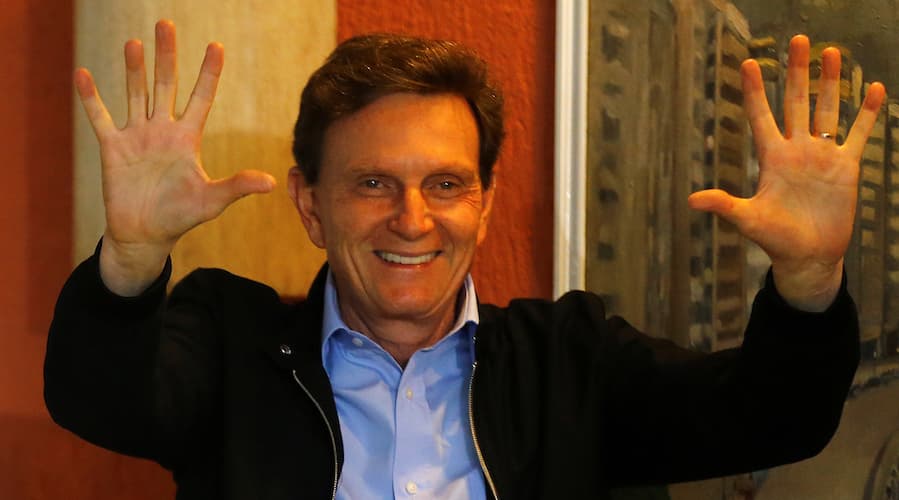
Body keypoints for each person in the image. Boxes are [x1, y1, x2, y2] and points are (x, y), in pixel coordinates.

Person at [45, 20, 885, 500]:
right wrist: (130, 257)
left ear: (482, 205)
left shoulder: (571, 360)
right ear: (310, 203)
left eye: (445, 183)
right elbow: (102, 402)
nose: (412, 219)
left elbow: (772, 417)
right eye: (372, 181)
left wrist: (808, 282)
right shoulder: (233, 343)